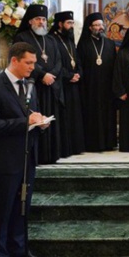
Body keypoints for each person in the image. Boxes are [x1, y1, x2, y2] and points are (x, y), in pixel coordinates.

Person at [0, 42, 48, 257]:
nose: (33, 67)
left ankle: (18, 249)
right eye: (29, 62)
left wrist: (40, 123)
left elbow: (29, 117)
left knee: (22, 208)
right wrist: (26, 123)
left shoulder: (29, 86)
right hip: (4, 161)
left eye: (34, 62)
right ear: (15, 60)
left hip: (26, 158)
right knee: (2, 211)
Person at [13, 4, 62, 164]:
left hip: (51, 86)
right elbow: (22, 61)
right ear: (30, 21)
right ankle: (38, 156)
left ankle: (51, 155)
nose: (41, 22)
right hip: (32, 85)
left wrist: (52, 75)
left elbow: (59, 61)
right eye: (38, 19)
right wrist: (43, 75)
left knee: (50, 119)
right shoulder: (22, 38)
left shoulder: (51, 39)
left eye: (43, 19)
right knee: (35, 118)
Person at [76, 12, 118, 152]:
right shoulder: (83, 45)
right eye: (96, 25)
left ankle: (109, 142)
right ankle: (93, 144)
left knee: (107, 114)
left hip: (107, 87)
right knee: (92, 115)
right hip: (90, 87)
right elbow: (79, 65)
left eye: (101, 25)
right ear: (90, 27)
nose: (100, 27)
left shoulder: (110, 43)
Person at [49, 11, 84, 157]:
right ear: (60, 24)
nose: (71, 26)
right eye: (69, 23)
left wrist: (78, 74)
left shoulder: (70, 40)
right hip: (61, 85)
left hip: (74, 84)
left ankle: (75, 147)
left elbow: (77, 60)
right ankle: (65, 148)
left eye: (72, 23)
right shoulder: (52, 40)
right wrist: (68, 76)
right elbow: (54, 64)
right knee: (64, 116)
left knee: (74, 116)